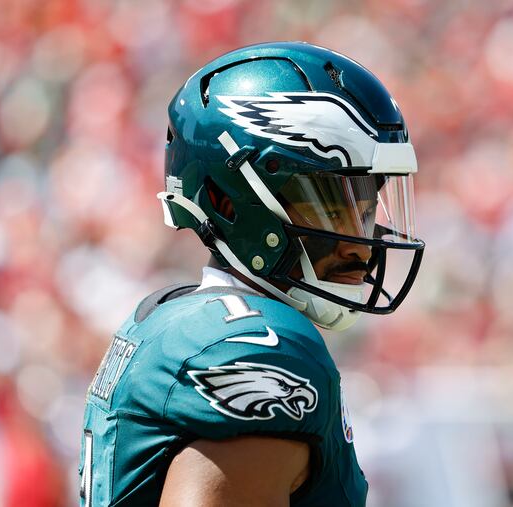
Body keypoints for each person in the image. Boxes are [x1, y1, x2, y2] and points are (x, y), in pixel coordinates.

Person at [78, 41, 424, 506]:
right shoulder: (258, 347)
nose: (356, 242)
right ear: (226, 200)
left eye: (362, 209)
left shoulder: (170, 318)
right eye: (329, 207)